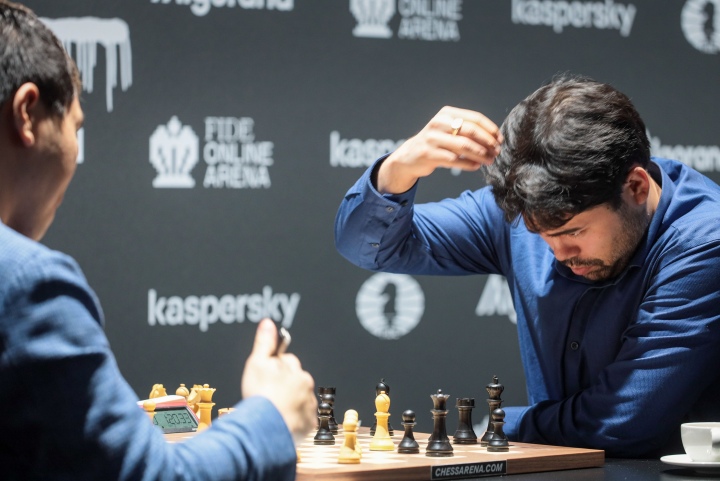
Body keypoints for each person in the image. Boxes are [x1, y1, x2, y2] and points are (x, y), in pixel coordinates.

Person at [0, 1, 316, 479]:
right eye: (76, 129)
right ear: (27, 114)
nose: (76, 155)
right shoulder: (26, 286)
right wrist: (270, 416)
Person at [335, 75, 720, 458]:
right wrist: (398, 170)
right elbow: (369, 248)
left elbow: (625, 422)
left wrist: (501, 427)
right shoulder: (523, 214)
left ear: (635, 187)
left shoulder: (704, 241)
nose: (557, 252)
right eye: (540, 233)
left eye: (574, 231)